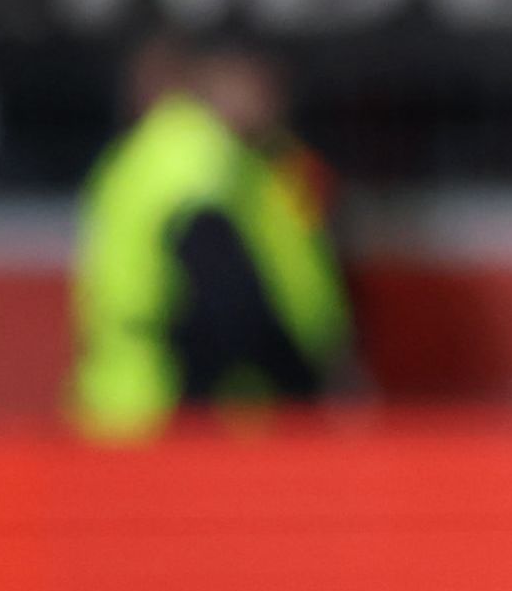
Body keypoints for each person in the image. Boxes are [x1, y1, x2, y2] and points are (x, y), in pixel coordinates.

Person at [65, 38, 352, 437]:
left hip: (132, 404)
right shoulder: (195, 157)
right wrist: (297, 383)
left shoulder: (154, 156)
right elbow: (222, 296)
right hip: (171, 409)